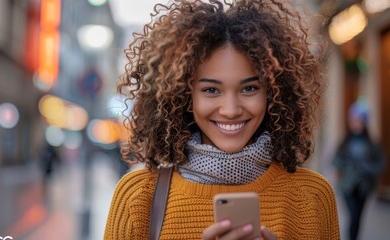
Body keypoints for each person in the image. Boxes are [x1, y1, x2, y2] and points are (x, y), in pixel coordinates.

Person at [105, 0, 340, 239]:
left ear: (274, 92)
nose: (230, 110)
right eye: (211, 90)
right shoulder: (138, 194)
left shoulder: (313, 195)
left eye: (249, 88)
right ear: (184, 96)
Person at [333, 99, 386, 240]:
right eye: (354, 120)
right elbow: (335, 160)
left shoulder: (372, 143)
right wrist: (347, 165)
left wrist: (368, 167)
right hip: (348, 186)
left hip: (363, 187)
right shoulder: (345, 141)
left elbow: (381, 163)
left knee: (358, 218)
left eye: (359, 120)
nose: (356, 123)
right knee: (353, 215)